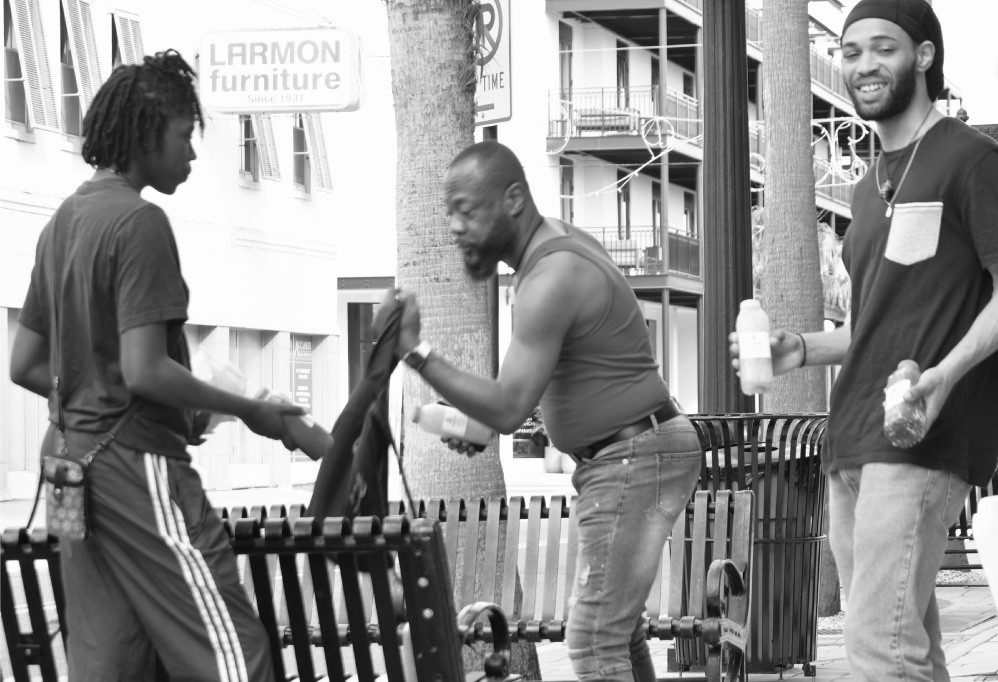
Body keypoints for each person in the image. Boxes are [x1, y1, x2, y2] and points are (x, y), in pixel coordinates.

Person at [9, 50, 304, 681]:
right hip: (132, 464)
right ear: (147, 133)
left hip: (68, 463)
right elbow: (144, 372)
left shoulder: (62, 222)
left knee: (112, 654)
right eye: (184, 137)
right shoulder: (140, 221)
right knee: (234, 652)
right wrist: (253, 411)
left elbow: (26, 365)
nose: (192, 156)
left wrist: (98, 396)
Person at [730, 1, 998, 679]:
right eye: (851, 53)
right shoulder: (868, 190)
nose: (864, 65)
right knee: (903, 646)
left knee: (879, 650)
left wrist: (941, 378)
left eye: (883, 48)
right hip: (849, 438)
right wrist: (803, 349)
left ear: (925, 56)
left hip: (920, 436)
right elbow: (875, 324)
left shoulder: (971, 161)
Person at [386, 140, 702, 681]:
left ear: (512, 199)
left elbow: (510, 407)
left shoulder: (549, 277)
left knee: (592, 639)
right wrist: (479, 424)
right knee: (615, 633)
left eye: (466, 210)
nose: (455, 227)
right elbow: (521, 394)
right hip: (636, 451)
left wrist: (416, 352)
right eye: (449, 213)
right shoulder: (549, 252)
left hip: (632, 456)